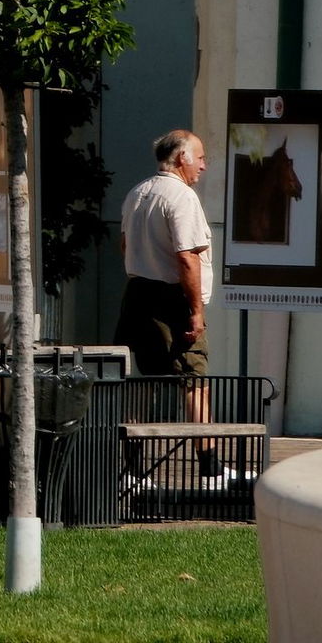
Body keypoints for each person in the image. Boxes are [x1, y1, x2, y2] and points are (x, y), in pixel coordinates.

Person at [113, 128, 223, 482]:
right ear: (181, 158)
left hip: (137, 295)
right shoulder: (182, 197)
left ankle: (130, 469)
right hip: (171, 299)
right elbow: (187, 258)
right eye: (200, 157)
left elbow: (125, 246)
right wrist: (196, 311)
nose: (204, 166)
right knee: (194, 380)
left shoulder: (137, 193)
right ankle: (210, 469)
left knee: (141, 382)